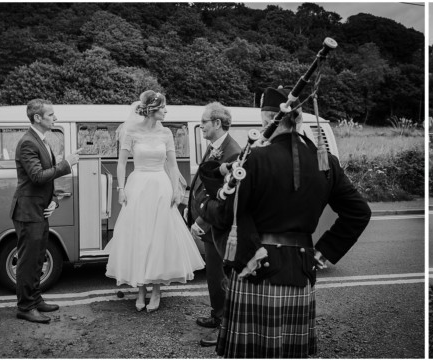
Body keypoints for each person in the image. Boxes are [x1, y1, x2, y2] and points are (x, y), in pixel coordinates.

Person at [215, 87, 371, 358]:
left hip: (255, 269)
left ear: (267, 120)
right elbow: (359, 212)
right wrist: (324, 252)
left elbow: (232, 213)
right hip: (301, 269)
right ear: (298, 119)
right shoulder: (326, 162)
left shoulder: (254, 159)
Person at [104, 90, 204, 312]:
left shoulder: (167, 133)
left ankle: (156, 289)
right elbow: (121, 164)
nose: (166, 111)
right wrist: (120, 188)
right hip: (138, 185)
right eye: (163, 107)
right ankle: (140, 289)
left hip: (160, 185)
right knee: (140, 235)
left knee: (158, 236)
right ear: (151, 109)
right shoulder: (131, 131)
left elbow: (172, 164)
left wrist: (177, 190)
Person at [11, 99, 81, 323]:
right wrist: (67, 164)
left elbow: (43, 181)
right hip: (28, 211)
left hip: (39, 209)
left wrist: (51, 200)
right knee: (28, 260)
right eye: (51, 115)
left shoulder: (41, 140)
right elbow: (37, 176)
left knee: (39, 257)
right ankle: (25, 307)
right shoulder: (28, 143)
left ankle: (36, 299)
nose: (55, 118)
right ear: (37, 118)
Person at [186, 102, 242, 347]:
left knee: (220, 273)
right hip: (209, 220)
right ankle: (217, 313)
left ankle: (224, 323)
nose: (201, 126)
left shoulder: (233, 152)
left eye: (204, 122)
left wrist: (202, 220)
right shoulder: (215, 147)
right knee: (212, 272)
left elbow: (223, 195)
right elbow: (204, 181)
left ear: (217, 123)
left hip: (218, 224)